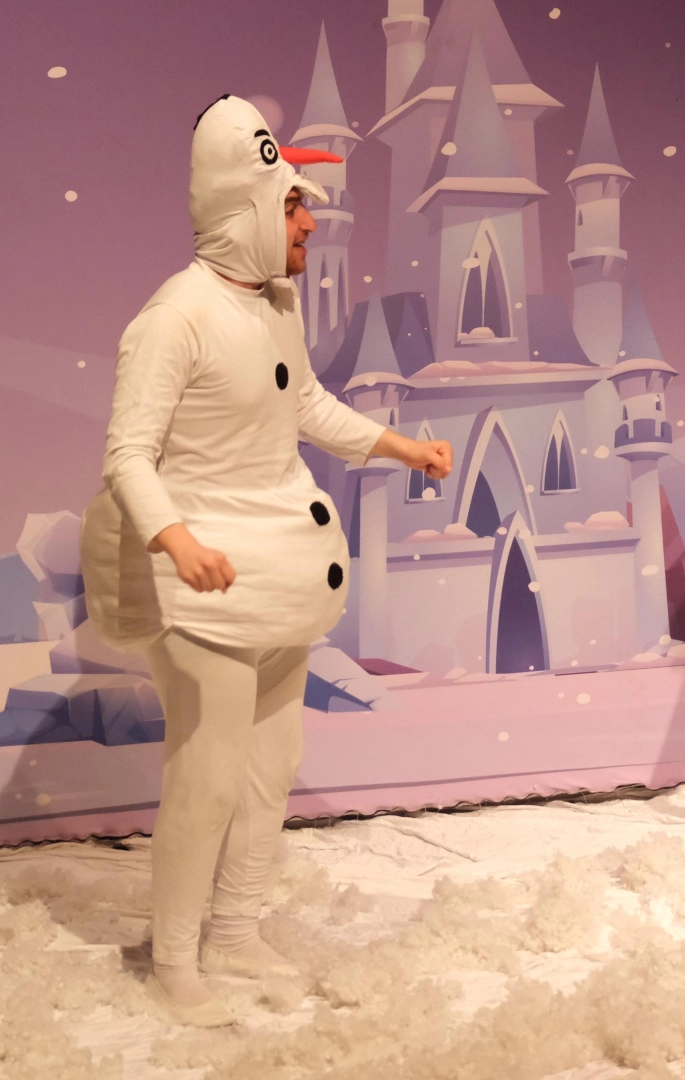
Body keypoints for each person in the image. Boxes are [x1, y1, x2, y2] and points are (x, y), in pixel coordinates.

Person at [79, 95, 452, 1025]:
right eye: (291, 204)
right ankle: (175, 959)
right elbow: (129, 454)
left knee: (272, 761)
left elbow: (306, 403)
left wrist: (397, 447)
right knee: (207, 776)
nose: (309, 222)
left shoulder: (276, 305)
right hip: (206, 586)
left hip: (277, 578)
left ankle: (236, 929)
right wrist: (177, 540)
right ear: (243, 208)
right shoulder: (174, 319)